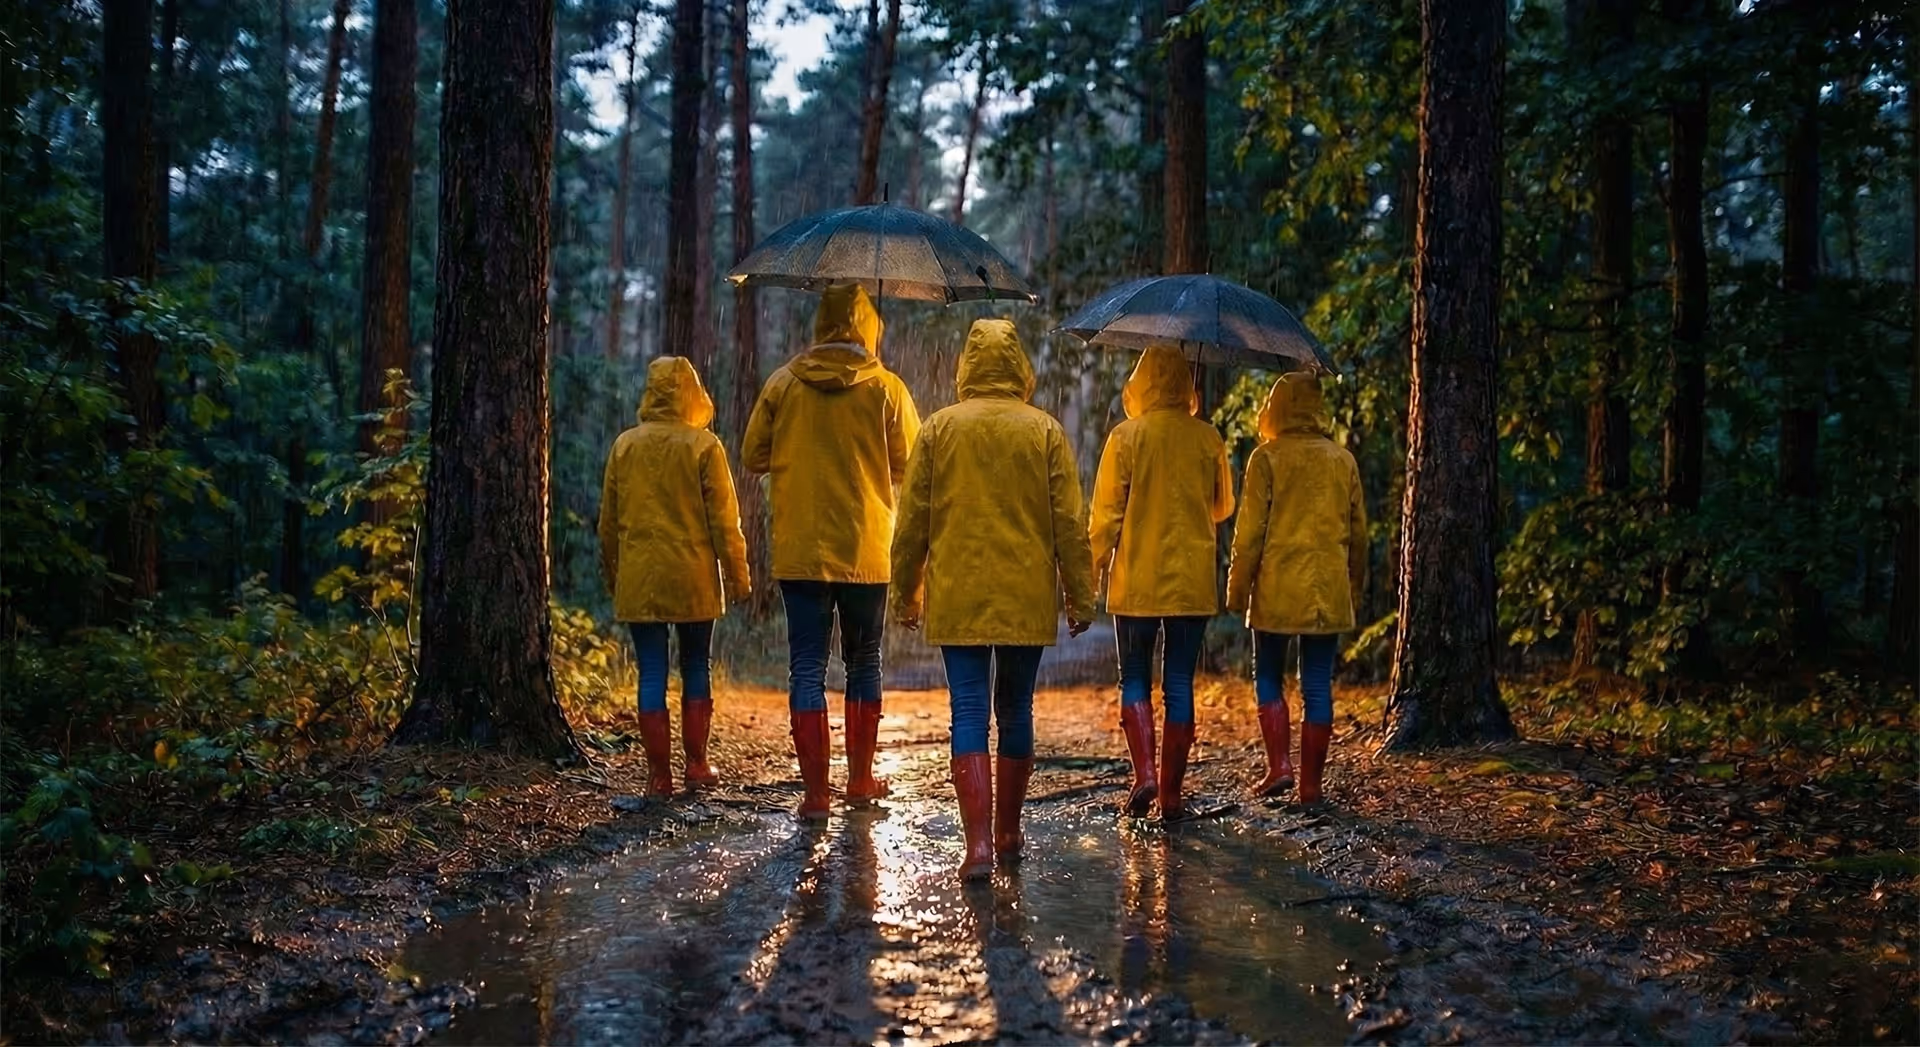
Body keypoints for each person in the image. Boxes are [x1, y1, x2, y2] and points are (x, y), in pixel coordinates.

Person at [892, 318, 1096, 882]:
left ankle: (977, 846)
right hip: (1025, 597)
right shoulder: (1045, 431)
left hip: (958, 596)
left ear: (967, 364)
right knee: (1015, 710)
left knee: (968, 713)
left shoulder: (938, 429)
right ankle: (1008, 832)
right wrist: (1080, 596)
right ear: (1018, 366)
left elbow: (912, 524)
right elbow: (1068, 523)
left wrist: (905, 595)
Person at [743, 283, 921, 819]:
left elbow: (754, 455)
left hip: (801, 548)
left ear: (821, 325)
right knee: (864, 663)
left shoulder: (783, 384)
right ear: (868, 328)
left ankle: (816, 795)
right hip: (867, 548)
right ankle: (861, 781)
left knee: (806, 668)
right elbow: (910, 466)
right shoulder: (887, 389)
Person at [1088, 344, 1235, 820]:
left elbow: (1106, 516)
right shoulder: (1208, 438)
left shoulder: (1126, 437)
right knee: (1179, 682)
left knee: (1134, 676)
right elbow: (1222, 507)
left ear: (1141, 382)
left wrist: (1089, 570)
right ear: (1184, 385)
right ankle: (1171, 795)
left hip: (1136, 581)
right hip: (1190, 582)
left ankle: (1145, 773)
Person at [599, 356, 751, 796]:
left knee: (650, 672)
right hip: (693, 578)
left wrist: (614, 576)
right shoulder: (703, 447)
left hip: (640, 578)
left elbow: (608, 524)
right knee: (695, 666)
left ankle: (658, 775)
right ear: (691, 393)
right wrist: (739, 579)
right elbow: (726, 523)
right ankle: (698, 765)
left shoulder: (625, 446)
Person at [1224, 371, 1367, 804]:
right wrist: (1353, 589)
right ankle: (1310, 786)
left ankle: (1279, 766)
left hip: (1275, 590)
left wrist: (1237, 589)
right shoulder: (1342, 461)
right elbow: (1359, 537)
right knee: (1318, 684)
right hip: (1326, 591)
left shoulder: (1267, 459)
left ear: (1277, 408)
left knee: (1268, 674)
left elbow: (1248, 534)